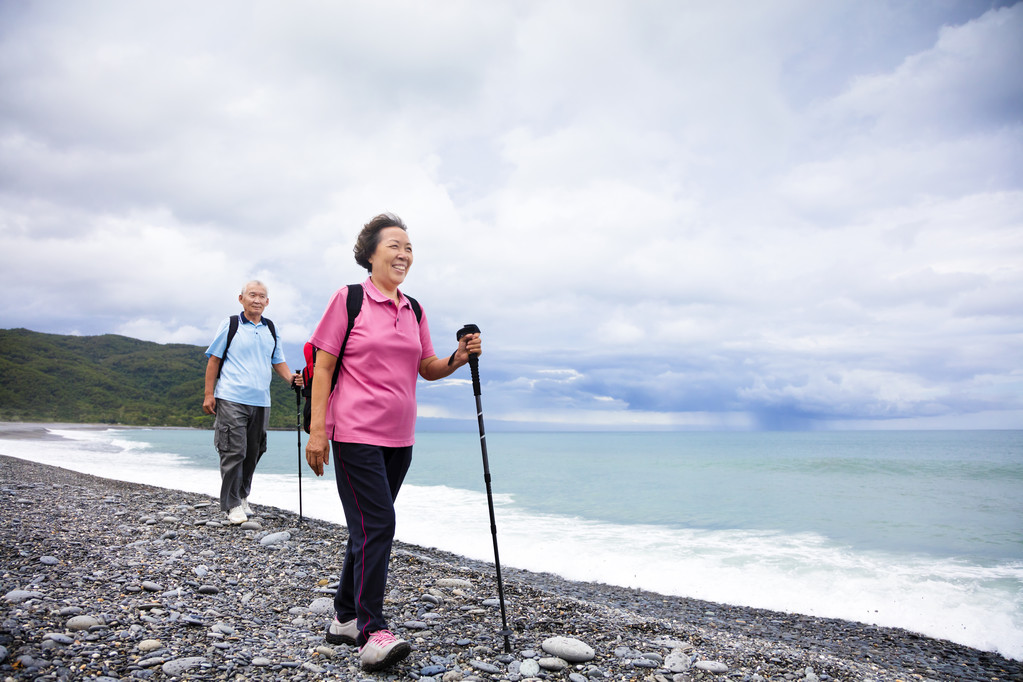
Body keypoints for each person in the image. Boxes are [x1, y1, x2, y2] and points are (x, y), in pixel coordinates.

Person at [305, 213, 482, 672]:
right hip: (354, 433)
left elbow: (426, 366)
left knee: (367, 528)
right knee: (379, 524)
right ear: (370, 253)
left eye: (409, 248)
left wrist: (458, 359)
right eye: (394, 246)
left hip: (399, 439)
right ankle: (371, 631)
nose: (404, 254)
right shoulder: (350, 299)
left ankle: (344, 617)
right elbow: (323, 368)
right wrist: (318, 431)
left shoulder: (414, 308)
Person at [203, 280, 303, 525]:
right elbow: (214, 360)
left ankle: (243, 495)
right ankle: (231, 504)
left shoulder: (270, 327)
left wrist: (291, 378)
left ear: (267, 302)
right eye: (252, 295)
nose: (257, 300)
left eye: (262, 296)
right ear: (241, 299)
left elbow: (277, 360)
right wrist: (209, 394)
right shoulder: (231, 325)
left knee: (254, 451)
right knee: (233, 451)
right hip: (231, 398)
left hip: (261, 401)